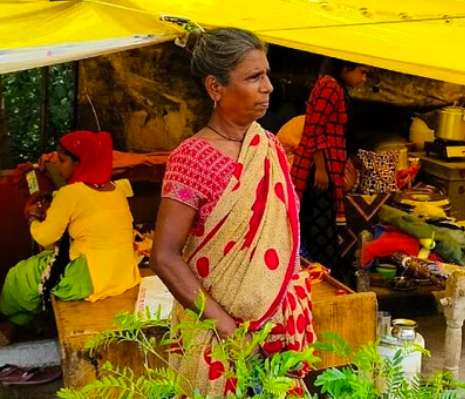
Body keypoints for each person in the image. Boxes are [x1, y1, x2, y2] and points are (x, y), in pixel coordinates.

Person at [151, 28, 313, 396]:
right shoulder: (192, 158)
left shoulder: (268, 146)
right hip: (218, 338)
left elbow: (285, 235)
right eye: (254, 77)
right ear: (215, 87)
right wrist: (228, 330)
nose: (268, 86)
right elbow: (163, 256)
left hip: (276, 333)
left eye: (266, 74)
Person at [0, 131, 142, 345]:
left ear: (80, 163)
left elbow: (44, 236)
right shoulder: (115, 190)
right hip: (121, 274)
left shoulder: (71, 194)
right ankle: (17, 325)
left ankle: (7, 328)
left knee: (20, 275)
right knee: (46, 263)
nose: (57, 164)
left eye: (63, 160)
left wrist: (32, 217)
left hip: (89, 278)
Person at [290, 58, 369, 281]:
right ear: (345, 67)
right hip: (317, 168)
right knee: (321, 233)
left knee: (316, 229)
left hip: (325, 166)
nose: (363, 79)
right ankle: (325, 282)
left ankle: (317, 278)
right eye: (361, 72)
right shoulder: (329, 87)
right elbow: (314, 127)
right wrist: (322, 169)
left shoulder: (335, 87)